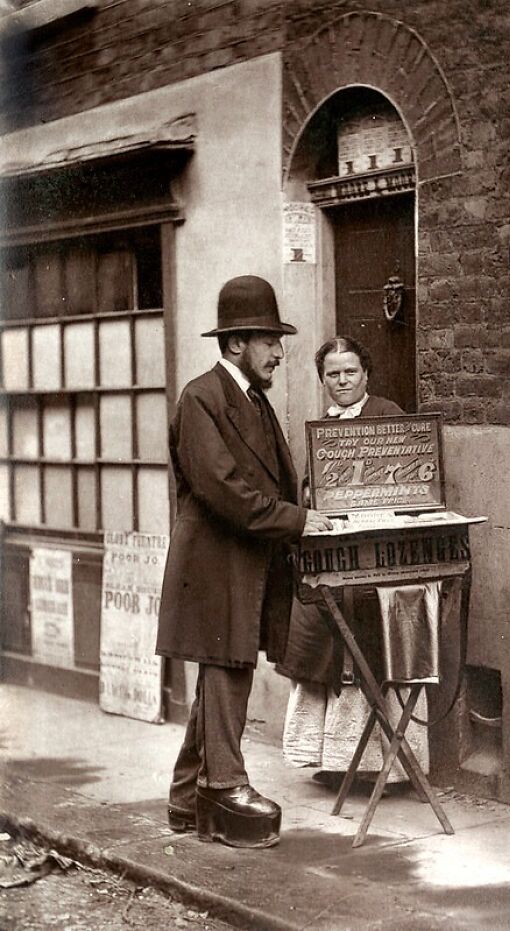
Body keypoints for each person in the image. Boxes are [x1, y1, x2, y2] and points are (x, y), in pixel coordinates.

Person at [156, 275, 331, 850]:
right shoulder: (201, 397)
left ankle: (188, 797)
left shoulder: (252, 400)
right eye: (269, 341)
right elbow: (224, 490)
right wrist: (297, 520)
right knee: (226, 669)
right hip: (215, 562)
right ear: (236, 344)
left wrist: (304, 513)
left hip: (244, 562)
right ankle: (223, 784)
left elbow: (271, 479)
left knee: (224, 670)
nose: (280, 352)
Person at [278, 336, 430, 783]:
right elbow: (312, 489)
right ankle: (336, 761)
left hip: (379, 559)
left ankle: (386, 766)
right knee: (324, 644)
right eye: (332, 374)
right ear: (322, 379)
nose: (341, 381)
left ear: (366, 375)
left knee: (375, 650)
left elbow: (413, 479)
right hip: (335, 557)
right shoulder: (321, 427)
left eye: (350, 373)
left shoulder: (388, 416)